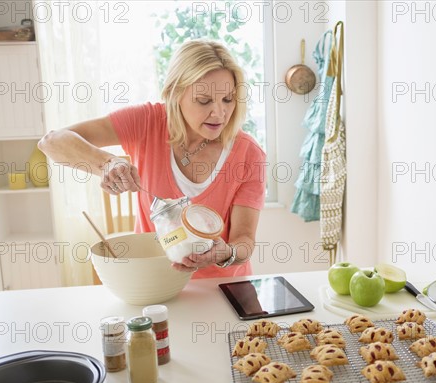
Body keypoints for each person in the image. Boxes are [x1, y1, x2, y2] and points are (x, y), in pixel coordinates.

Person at [39, 40, 266, 278]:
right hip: (155, 285)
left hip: (222, 291)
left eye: (228, 100)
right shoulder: (147, 123)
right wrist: (108, 164)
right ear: (175, 93)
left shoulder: (248, 154)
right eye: (204, 100)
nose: (219, 113)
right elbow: (52, 142)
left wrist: (227, 252)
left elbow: (245, 240)